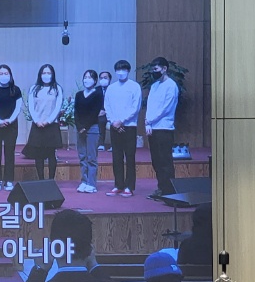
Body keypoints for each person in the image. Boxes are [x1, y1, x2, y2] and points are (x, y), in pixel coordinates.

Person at [103, 59, 141, 196]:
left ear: (128, 71)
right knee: (116, 157)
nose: (121, 72)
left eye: (123, 69)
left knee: (130, 157)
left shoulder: (135, 86)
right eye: (118, 70)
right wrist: (113, 121)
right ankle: (118, 184)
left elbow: (135, 107)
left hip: (129, 126)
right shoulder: (111, 88)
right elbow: (107, 106)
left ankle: (129, 186)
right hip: (114, 126)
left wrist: (122, 121)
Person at [143, 57, 179, 198]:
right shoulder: (154, 86)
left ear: (164, 69)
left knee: (165, 161)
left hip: (164, 128)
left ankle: (169, 191)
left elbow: (166, 108)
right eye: (153, 69)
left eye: (156, 69)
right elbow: (150, 106)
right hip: (153, 127)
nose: (154, 72)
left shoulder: (171, 86)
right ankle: (161, 188)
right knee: (156, 161)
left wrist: (151, 120)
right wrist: (148, 123)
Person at [0, 64, 23, 192]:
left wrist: (9, 120)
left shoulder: (16, 90)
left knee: (9, 153)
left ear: (10, 75)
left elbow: (18, 108)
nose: (3, 76)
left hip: (11, 126)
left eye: (6, 73)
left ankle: (9, 180)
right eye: (1, 74)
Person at [26, 63, 62, 181]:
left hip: (51, 125)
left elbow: (57, 107)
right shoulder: (34, 88)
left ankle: (51, 180)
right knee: (39, 155)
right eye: (44, 73)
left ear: (53, 74)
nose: (46, 75)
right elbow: (31, 107)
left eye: (49, 73)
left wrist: (48, 121)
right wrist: (37, 121)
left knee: (51, 154)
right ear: (40, 75)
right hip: (37, 125)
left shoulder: (57, 88)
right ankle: (41, 180)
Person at [72, 69, 104, 194]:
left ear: (95, 81)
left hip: (92, 128)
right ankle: (84, 181)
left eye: (90, 77)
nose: (87, 80)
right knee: (82, 156)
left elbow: (94, 113)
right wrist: (79, 127)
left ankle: (91, 183)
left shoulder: (98, 94)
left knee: (91, 157)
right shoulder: (79, 94)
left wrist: (85, 127)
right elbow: (76, 112)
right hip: (80, 129)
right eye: (85, 77)